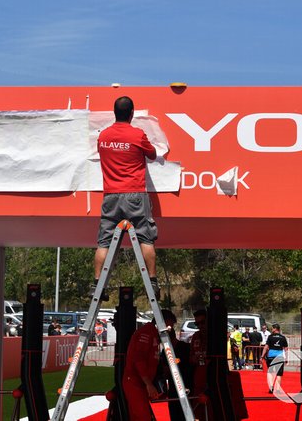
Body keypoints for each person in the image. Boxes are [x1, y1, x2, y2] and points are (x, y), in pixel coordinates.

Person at [94, 96, 159, 300]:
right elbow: (153, 154)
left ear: (115, 112)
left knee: (104, 242)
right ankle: (153, 282)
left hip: (111, 195)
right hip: (135, 194)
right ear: (131, 113)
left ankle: (97, 285)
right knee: (145, 237)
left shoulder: (103, 136)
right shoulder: (137, 135)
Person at [122, 309, 178, 419]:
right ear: (163, 322)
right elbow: (139, 359)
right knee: (143, 417)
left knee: (140, 416)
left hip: (141, 382)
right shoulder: (147, 333)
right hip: (135, 382)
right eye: (169, 326)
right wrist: (149, 384)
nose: (170, 330)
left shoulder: (153, 334)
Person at [261, 323, 288, 393]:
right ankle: (278, 389)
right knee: (279, 373)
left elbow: (266, 347)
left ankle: (271, 387)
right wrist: (286, 358)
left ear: (275, 329)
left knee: (270, 372)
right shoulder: (283, 337)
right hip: (279, 357)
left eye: (272, 328)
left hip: (271, 356)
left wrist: (262, 356)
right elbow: (286, 349)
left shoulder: (270, 337)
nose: (271, 329)